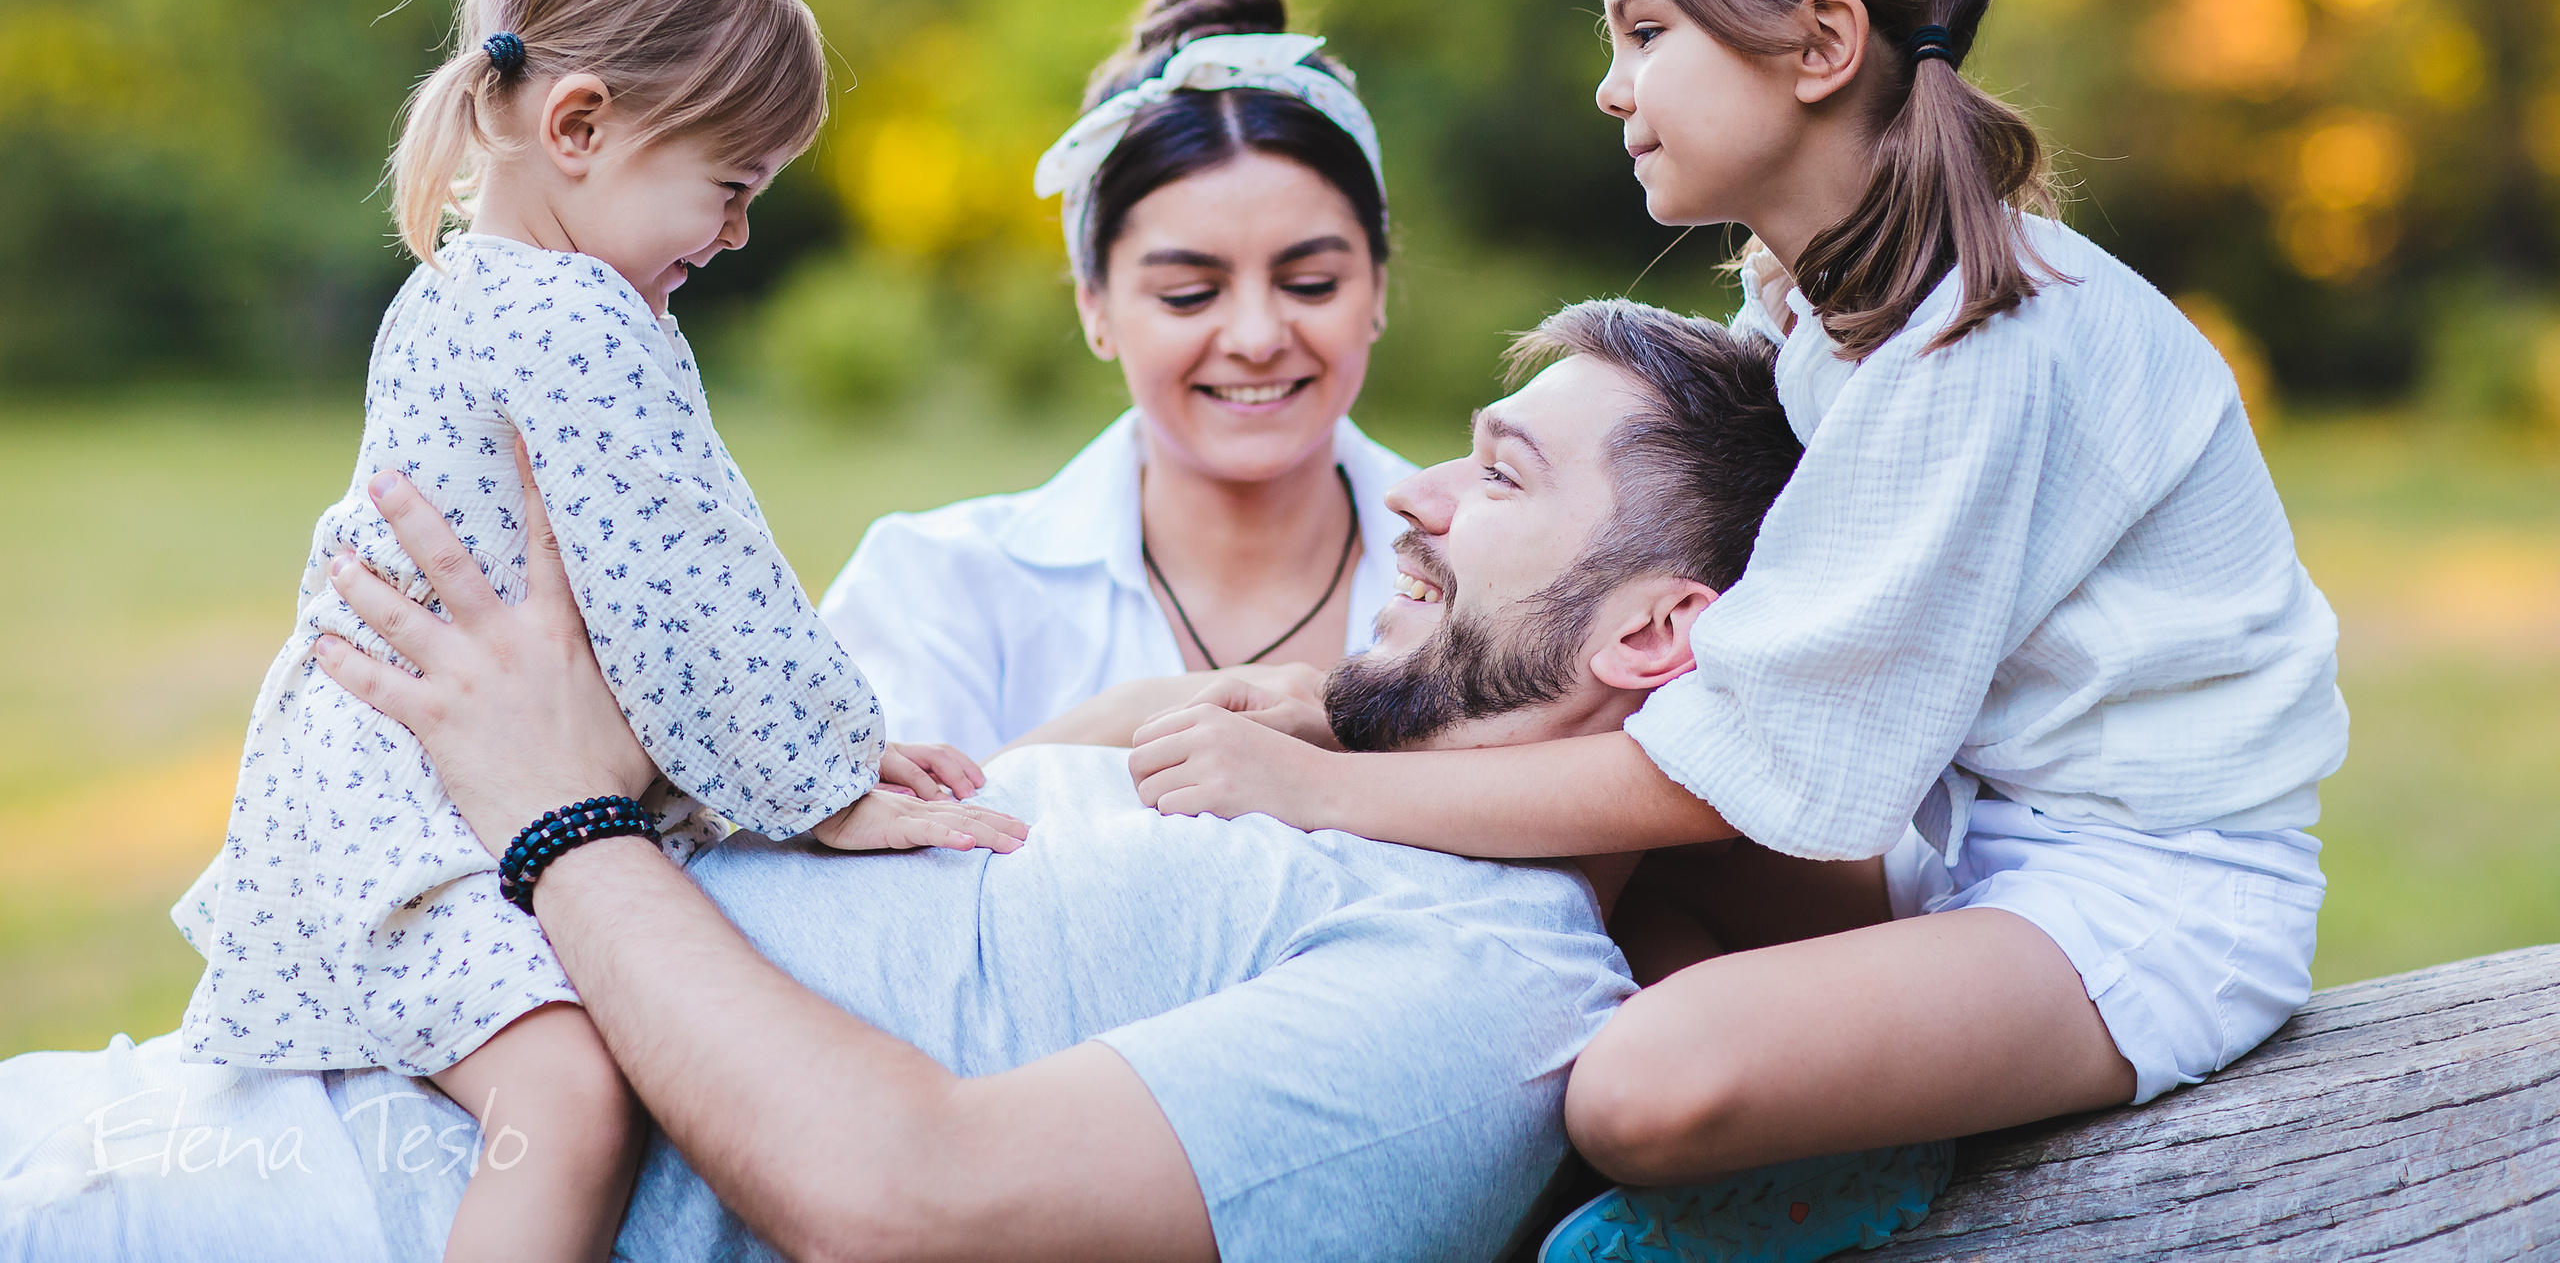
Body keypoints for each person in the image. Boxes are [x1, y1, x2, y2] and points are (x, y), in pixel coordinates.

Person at [1121, 0, 2351, 1261]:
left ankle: (1840, 1150)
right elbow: (1662, 635)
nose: (1610, 84)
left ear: (1821, 47)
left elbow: (1731, 776)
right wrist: (1350, 704)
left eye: (1646, 34)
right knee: (1566, 878)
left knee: (1641, 1084)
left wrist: (1319, 783)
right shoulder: (1819, 300)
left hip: (2155, 897)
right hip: (1970, 842)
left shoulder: (1981, 342)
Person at [0, 298, 1798, 1263]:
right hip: (221, 1097)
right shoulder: (1291, 766)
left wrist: (562, 821)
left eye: (1493, 479)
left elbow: (899, 1199)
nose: (1404, 491)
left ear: (1653, 633)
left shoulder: (1480, 1000)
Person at [167, 0, 1008, 1263]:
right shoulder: (576, 323)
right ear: (577, 125)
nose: (739, 231)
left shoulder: (465, 283)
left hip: (403, 773)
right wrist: (830, 777)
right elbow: (691, 578)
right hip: (421, 801)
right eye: (729, 186)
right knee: (567, 1103)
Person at [817, 0, 1413, 760]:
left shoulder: (1492, 578)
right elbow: (876, 871)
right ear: (1094, 305)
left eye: (1310, 282)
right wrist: (1134, 715)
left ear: (1377, 287)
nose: (1255, 336)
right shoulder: (935, 589)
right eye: (1187, 295)